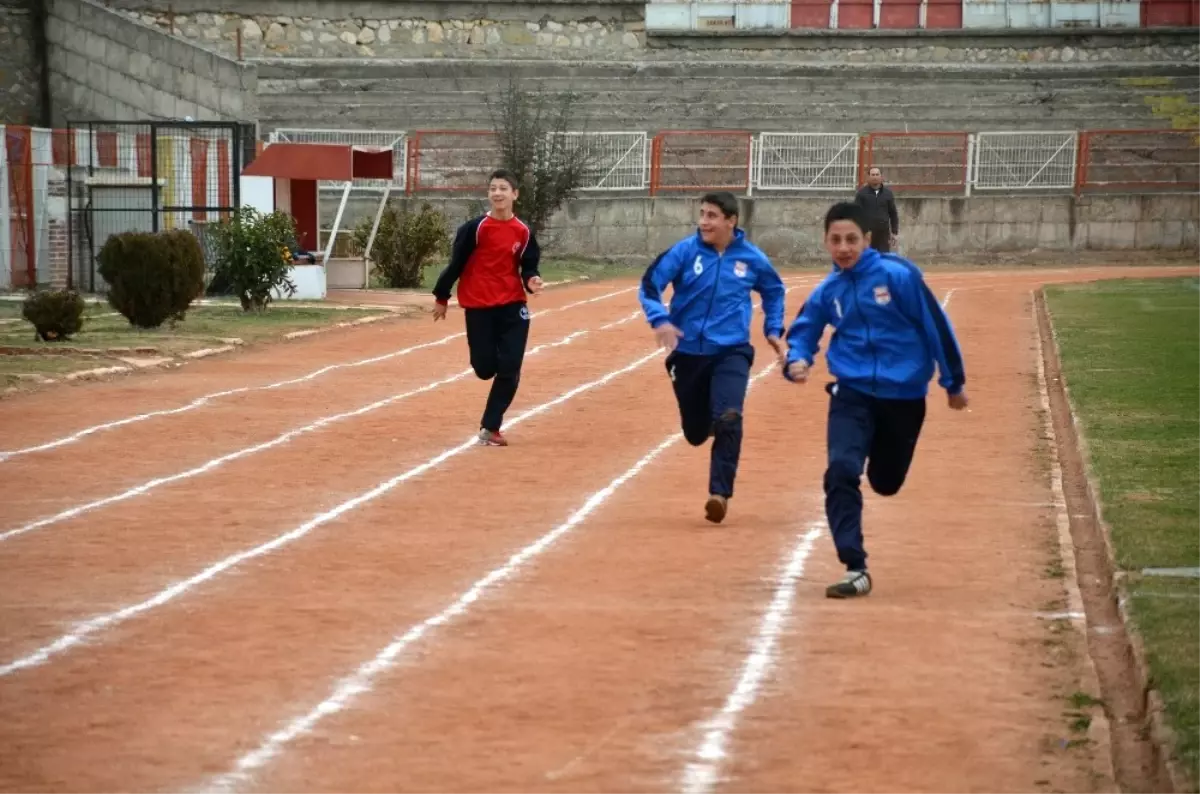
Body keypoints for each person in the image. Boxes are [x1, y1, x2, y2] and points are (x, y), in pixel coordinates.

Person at [783, 201, 967, 599]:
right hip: (851, 394)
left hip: (903, 398)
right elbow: (803, 329)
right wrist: (797, 359)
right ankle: (855, 565)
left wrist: (953, 381)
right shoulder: (828, 291)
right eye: (836, 240)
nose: (844, 247)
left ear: (867, 239)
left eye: (852, 239)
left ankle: (883, 472)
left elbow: (936, 325)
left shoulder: (898, 276)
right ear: (826, 242)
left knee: (885, 482)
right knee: (841, 471)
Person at [639, 191, 787, 524]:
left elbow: (774, 291)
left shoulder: (752, 258)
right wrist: (660, 320)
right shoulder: (683, 251)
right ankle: (706, 422)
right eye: (702, 214)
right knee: (695, 432)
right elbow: (650, 285)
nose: (704, 222)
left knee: (730, 417)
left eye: (712, 216)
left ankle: (719, 493)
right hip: (687, 353)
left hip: (731, 350)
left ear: (731, 221)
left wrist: (774, 329)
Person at [432, 169, 544, 447]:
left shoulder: (523, 231)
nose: (497, 193)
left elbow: (528, 265)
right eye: (493, 188)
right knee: (484, 369)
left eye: (503, 188)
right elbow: (456, 264)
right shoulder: (474, 229)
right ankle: (493, 364)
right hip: (479, 305)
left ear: (514, 194)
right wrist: (442, 296)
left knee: (510, 366)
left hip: (512, 306)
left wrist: (532, 280)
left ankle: (490, 427)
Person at [854, 166, 899, 254]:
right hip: (867, 234)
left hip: (883, 234)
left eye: (877, 174)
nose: (875, 177)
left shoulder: (888, 194)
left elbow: (893, 213)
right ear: (869, 177)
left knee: (883, 259)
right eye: (873, 175)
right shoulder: (861, 194)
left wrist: (894, 232)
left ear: (881, 177)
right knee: (867, 260)